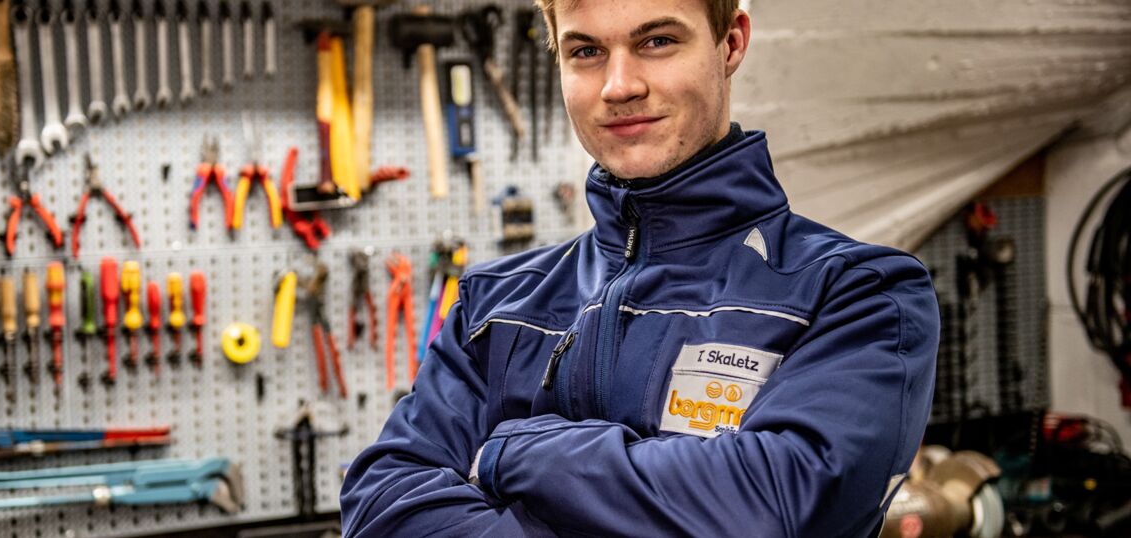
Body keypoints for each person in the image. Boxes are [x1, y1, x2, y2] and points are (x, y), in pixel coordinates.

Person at [341, 0, 939, 536]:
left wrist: (515, 454)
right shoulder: (494, 307)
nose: (619, 85)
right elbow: (381, 506)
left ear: (731, 43)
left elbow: (778, 506)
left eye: (657, 41)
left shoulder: (857, 295)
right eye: (586, 51)